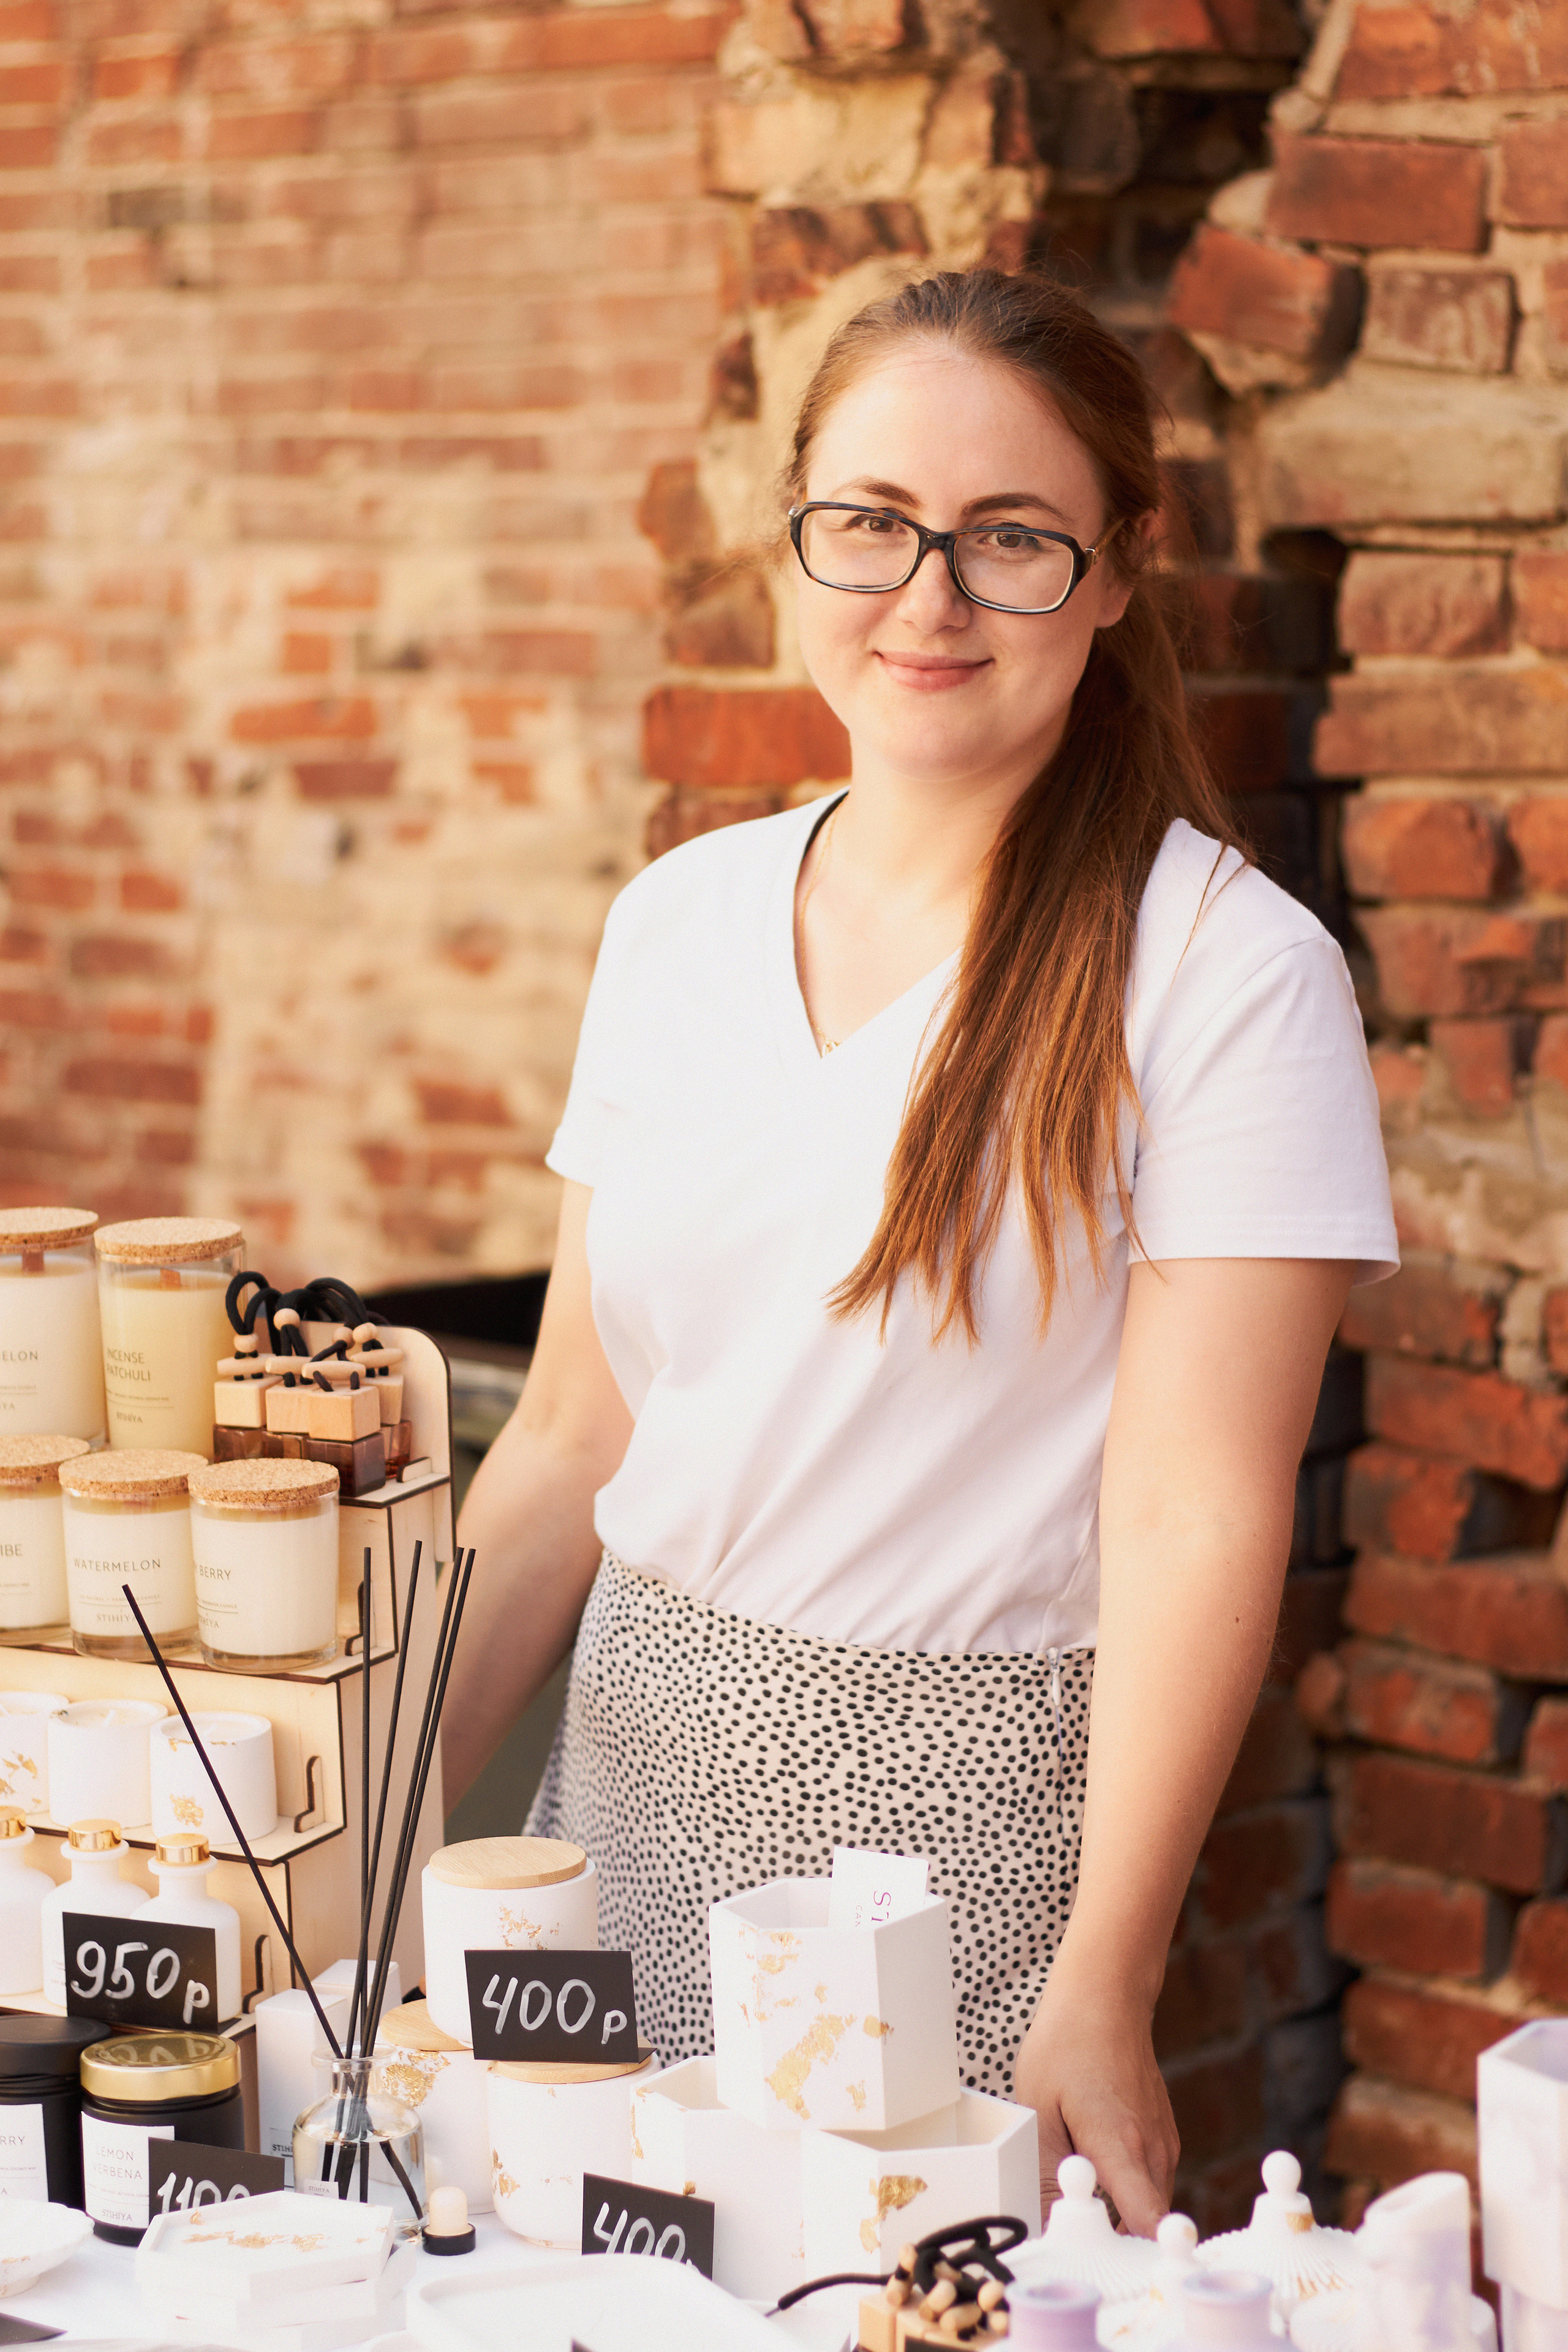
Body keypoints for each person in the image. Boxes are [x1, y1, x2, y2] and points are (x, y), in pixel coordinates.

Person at [450, 268, 1396, 2232]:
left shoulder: (1226, 974)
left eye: (1010, 540)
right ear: (796, 530)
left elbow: (1199, 1521)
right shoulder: (681, 920)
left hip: (944, 1866)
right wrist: (366, 1827)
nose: (927, 598)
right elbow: (563, 1442)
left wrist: (1107, 1973)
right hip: (619, 1791)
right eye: (872, 523)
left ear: (1122, 570)